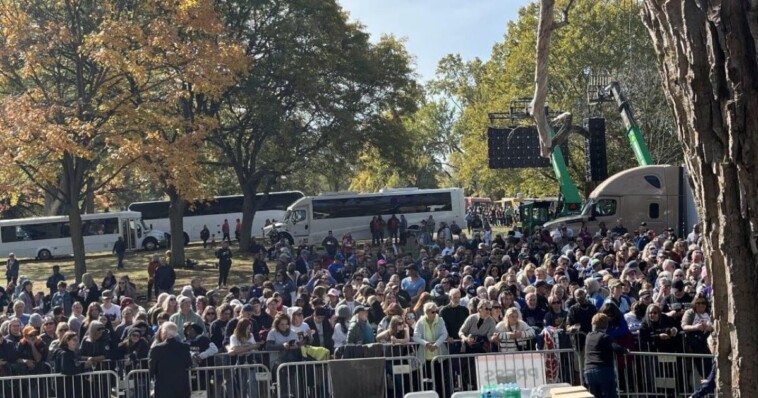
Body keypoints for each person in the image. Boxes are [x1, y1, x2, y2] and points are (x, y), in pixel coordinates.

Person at [584, 313, 628, 398]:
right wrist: (625, 350)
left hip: (588, 370)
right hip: (603, 370)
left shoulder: (588, 336)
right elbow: (616, 348)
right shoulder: (605, 337)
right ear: (606, 325)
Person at [413, 302, 449, 397]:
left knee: (439, 382)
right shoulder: (420, 322)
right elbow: (416, 336)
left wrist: (436, 344)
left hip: (439, 357)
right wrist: (426, 344)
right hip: (425, 358)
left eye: (436, 311)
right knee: (426, 382)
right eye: (433, 312)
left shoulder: (440, 320)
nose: (435, 313)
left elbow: (444, 334)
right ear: (426, 312)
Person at [149, 322, 193, 398]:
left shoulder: (156, 349)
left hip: (163, 388)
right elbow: (189, 364)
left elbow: (152, 369)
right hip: (181, 387)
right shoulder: (184, 347)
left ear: (164, 333)